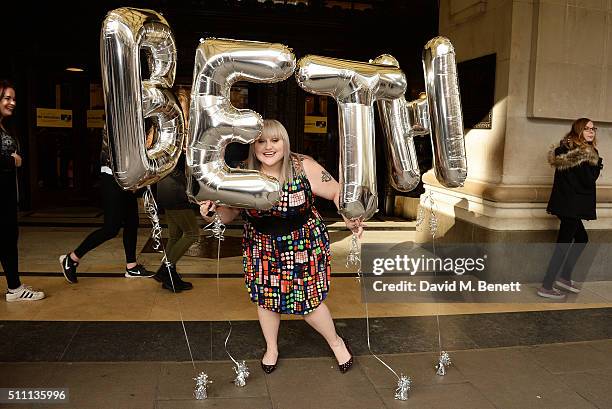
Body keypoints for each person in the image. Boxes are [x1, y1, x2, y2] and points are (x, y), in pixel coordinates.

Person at [199, 119, 363, 374]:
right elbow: (229, 213)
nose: (268, 147)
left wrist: (350, 215)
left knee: (308, 301)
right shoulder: (240, 173)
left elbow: (336, 192)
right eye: (261, 141)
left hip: (303, 242)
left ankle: (337, 343)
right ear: (252, 145)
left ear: (284, 142)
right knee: (266, 299)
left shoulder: (302, 166)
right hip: (261, 245)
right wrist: (211, 213)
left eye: (274, 140)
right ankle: (272, 348)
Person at [59, 126, 154, 283]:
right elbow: (120, 149)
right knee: (111, 228)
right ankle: (71, 258)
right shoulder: (117, 113)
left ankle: (131, 266)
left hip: (128, 176)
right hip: (113, 176)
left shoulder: (135, 115)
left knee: (132, 222)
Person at [537, 118, 603, 299]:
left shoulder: (566, 150)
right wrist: (597, 163)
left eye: (593, 128)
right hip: (572, 206)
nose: (591, 132)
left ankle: (564, 277)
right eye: (586, 129)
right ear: (578, 131)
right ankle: (546, 285)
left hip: (567, 204)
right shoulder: (583, 153)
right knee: (563, 245)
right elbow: (588, 180)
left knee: (581, 238)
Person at [0, 80, 45, 301]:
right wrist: (11, 160)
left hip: (7, 196)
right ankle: (15, 288)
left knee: (8, 240)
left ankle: (14, 287)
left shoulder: (3, 126)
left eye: (13, 98)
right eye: (7, 98)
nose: (12, 102)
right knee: (7, 240)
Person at [153, 88, 196, 292]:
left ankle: (168, 273)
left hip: (164, 185)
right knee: (191, 233)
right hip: (176, 186)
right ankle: (167, 269)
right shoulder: (180, 129)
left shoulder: (162, 127)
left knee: (175, 234)